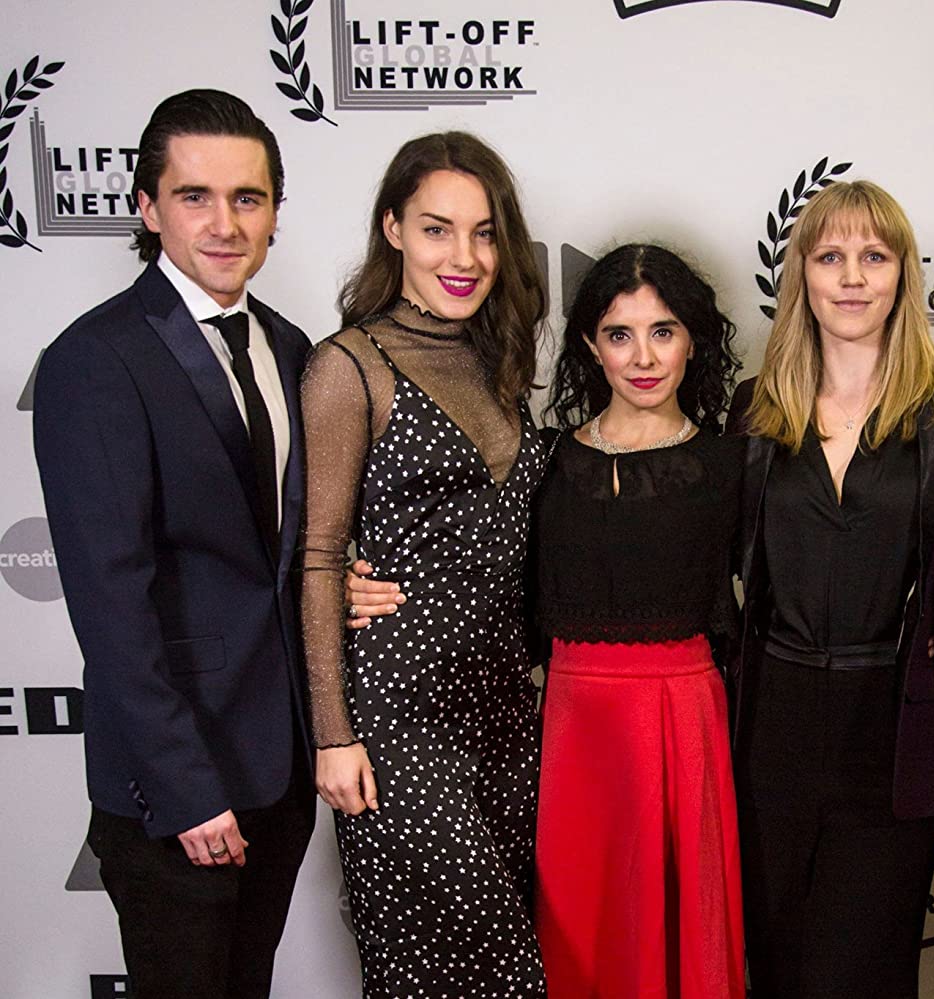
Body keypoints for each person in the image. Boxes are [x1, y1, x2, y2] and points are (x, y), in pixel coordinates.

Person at [32, 90, 314, 999]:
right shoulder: (94, 358)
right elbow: (111, 604)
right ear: (148, 208)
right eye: (196, 196)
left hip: (279, 772)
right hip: (176, 790)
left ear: (274, 211)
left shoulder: (291, 347)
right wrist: (187, 788)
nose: (225, 224)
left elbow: (284, 551)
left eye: (248, 197)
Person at [730, 179, 934, 998]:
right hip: (768, 731)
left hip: (894, 733)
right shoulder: (754, 411)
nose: (852, 277)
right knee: (776, 969)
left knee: (865, 974)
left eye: (874, 257)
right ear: (802, 276)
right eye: (831, 257)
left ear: (903, 274)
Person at [298, 131, 548, 996]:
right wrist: (333, 735)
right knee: (491, 968)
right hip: (399, 712)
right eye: (438, 229)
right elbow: (319, 556)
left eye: (484, 233)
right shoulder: (349, 365)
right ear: (393, 228)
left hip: (507, 710)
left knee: (463, 965)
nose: (463, 257)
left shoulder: (499, 361)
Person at [533, 243, 745, 998]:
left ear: (693, 340)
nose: (644, 358)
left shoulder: (733, 467)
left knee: (680, 932)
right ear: (591, 346)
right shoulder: (542, 463)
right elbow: (477, 572)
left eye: (663, 331)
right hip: (573, 731)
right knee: (580, 928)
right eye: (619, 334)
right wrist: (363, 582)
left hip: (683, 719)